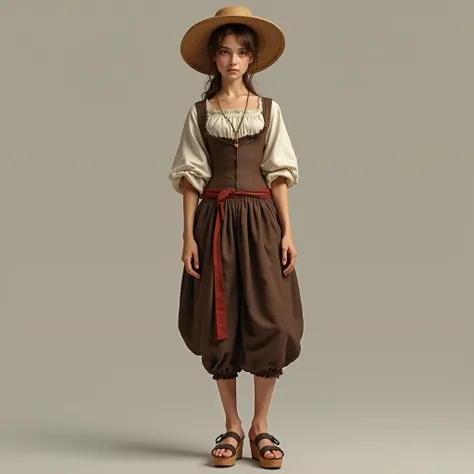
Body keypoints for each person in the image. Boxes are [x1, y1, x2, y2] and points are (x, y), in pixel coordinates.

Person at [168, 6, 304, 469]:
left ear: (252, 60)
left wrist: (288, 231)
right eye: (225, 52)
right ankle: (232, 425)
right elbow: (190, 177)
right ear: (213, 57)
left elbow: (278, 174)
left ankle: (261, 425)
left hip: (262, 221)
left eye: (241, 52)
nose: (232, 60)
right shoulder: (200, 112)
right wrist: (188, 236)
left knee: (271, 319)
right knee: (219, 321)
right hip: (216, 221)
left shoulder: (270, 110)